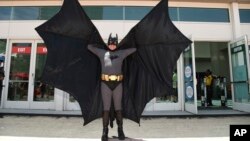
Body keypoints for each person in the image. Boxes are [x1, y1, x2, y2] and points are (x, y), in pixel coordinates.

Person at [87, 33, 136, 141]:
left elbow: (134, 49)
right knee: (106, 109)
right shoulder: (102, 52)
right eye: (110, 43)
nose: (112, 45)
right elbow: (89, 47)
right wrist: (94, 38)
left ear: (117, 44)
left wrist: (132, 40)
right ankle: (105, 131)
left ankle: (120, 129)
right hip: (105, 84)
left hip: (118, 84)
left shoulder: (121, 53)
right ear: (108, 43)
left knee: (118, 108)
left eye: (114, 44)